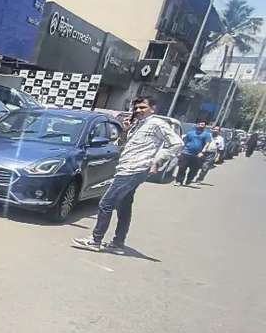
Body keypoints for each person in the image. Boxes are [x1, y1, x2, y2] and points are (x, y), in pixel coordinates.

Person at [73, 97, 183, 254]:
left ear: (153, 108)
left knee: (106, 203)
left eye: (142, 107)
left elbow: (177, 143)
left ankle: (95, 240)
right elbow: (123, 146)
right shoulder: (138, 125)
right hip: (126, 167)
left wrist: (158, 161)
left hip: (134, 170)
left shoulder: (156, 123)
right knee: (124, 207)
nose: (138, 110)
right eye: (136, 108)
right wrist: (125, 130)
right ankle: (118, 244)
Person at [175, 120, 211, 186]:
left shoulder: (206, 134)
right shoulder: (190, 133)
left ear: (205, 126)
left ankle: (188, 181)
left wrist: (203, 151)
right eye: (200, 124)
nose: (201, 126)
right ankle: (179, 181)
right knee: (182, 167)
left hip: (197, 155)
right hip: (186, 152)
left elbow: (207, 143)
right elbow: (184, 142)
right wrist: (180, 151)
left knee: (194, 170)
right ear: (196, 125)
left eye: (203, 125)